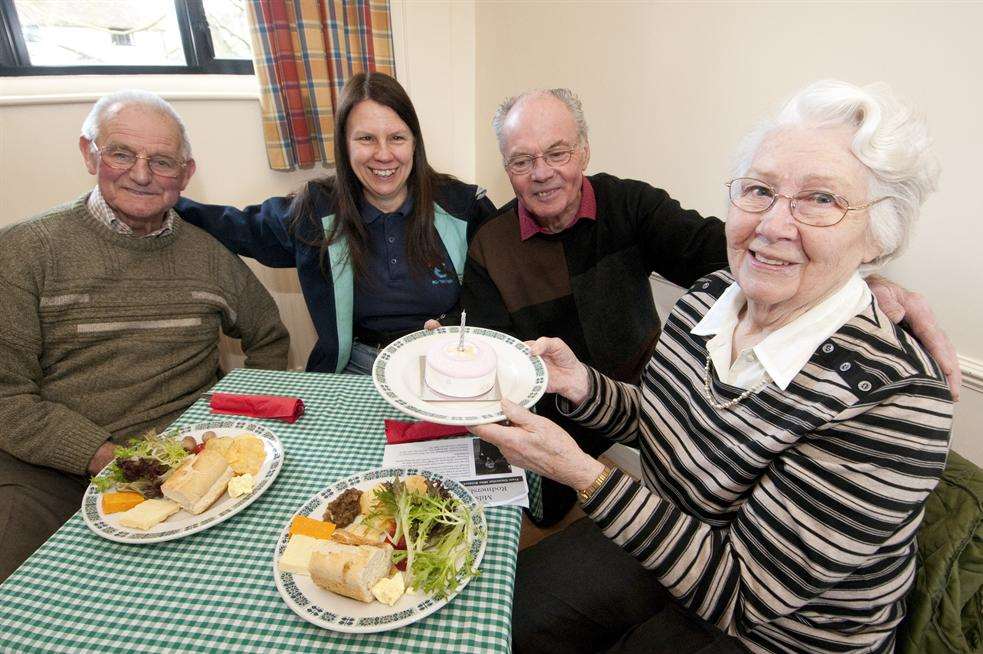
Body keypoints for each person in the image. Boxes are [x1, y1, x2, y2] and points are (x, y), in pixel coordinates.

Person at [472, 80, 953, 653]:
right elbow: (663, 423)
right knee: (502, 617)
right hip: (669, 538)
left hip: (780, 631)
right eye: (759, 190)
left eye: (821, 200)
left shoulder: (897, 401)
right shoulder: (709, 297)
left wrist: (582, 473)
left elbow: (741, 593)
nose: (773, 226)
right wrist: (581, 384)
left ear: (878, 233)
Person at [0, 90, 290, 582]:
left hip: (188, 460)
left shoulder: (209, 255)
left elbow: (269, 337)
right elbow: (8, 395)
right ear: (89, 153)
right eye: (121, 153)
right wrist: (100, 455)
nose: (141, 173)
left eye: (161, 161)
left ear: (186, 172)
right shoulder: (25, 250)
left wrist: (227, 423)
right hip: (48, 475)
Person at [175, 72, 496, 375]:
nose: (383, 155)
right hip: (355, 371)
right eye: (366, 138)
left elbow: (506, 271)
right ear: (344, 145)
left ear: (415, 142)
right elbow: (236, 227)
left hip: (446, 365)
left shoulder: (463, 206)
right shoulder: (316, 211)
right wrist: (165, 201)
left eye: (397, 137)